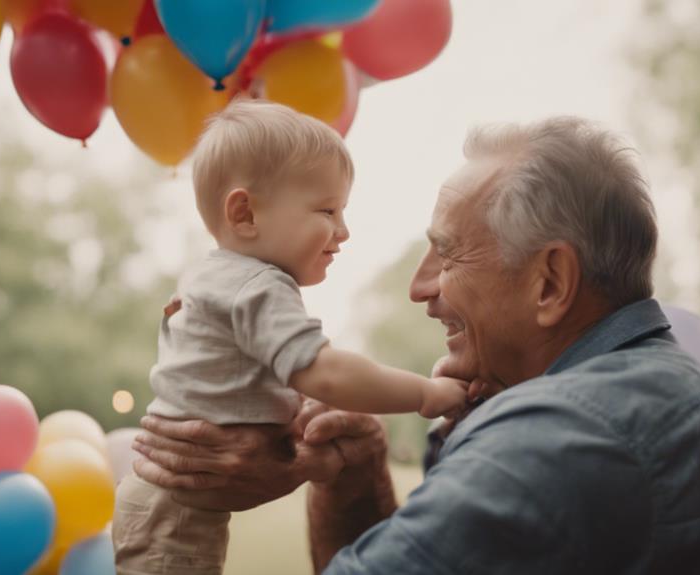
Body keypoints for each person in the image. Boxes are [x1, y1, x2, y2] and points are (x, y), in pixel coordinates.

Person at [132, 116, 700, 574]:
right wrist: (355, 475)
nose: (419, 289)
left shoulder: (554, 444)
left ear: (550, 282)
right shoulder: (688, 393)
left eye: (445, 255)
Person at [112, 100, 468, 575]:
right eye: (327, 210)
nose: (343, 231)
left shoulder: (213, 278)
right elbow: (326, 373)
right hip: (173, 514)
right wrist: (427, 393)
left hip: (164, 503)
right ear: (244, 214)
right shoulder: (258, 285)